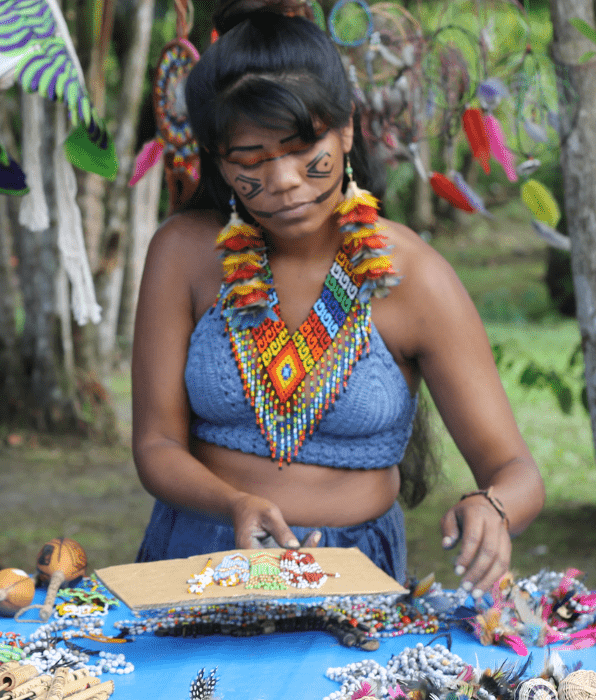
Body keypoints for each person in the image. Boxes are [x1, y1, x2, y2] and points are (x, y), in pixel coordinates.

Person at [131, 6, 544, 592]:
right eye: (249, 161)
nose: (283, 181)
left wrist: (494, 508)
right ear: (218, 161)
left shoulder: (415, 277)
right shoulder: (184, 254)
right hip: (197, 557)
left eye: (304, 150)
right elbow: (156, 444)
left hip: (356, 574)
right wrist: (233, 504)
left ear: (345, 128)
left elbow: (515, 469)